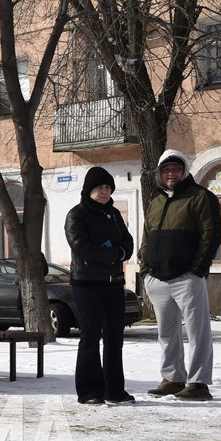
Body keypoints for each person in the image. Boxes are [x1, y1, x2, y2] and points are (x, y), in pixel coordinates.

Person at [138, 150, 221, 401]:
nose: (171, 174)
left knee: (198, 332)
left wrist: (197, 270)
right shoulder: (156, 201)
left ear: (184, 171)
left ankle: (198, 383)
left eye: (176, 169)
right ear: (159, 174)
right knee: (166, 332)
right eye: (166, 170)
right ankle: (173, 378)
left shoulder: (200, 197)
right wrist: (145, 270)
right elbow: (147, 238)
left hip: (187, 277)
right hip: (157, 279)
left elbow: (210, 235)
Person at [65, 167, 134, 406]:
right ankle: (89, 391)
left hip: (114, 284)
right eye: (99, 187)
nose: (104, 192)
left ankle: (114, 391)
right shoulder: (77, 215)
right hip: (87, 284)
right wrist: (114, 254)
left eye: (108, 187)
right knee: (90, 337)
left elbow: (127, 242)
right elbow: (81, 246)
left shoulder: (113, 214)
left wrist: (120, 252)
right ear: (89, 190)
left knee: (115, 338)